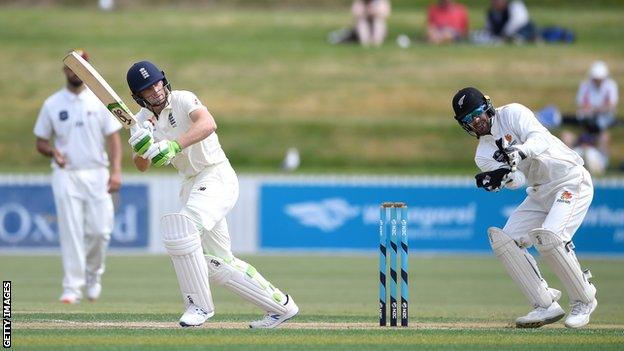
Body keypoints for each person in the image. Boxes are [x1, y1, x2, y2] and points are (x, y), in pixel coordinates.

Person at [125, 61, 298, 328]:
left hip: (216, 175)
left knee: (182, 229)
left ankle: (199, 306)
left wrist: (172, 145)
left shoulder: (182, 99)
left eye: (157, 82)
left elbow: (208, 123)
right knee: (219, 263)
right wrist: (141, 146)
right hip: (190, 185)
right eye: (148, 89)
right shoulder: (140, 122)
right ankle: (280, 306)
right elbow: (141, 165)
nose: (156, 90)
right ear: (139, 95)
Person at [451, 87, 597, 328]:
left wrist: (518, 152)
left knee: (550, 238)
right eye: (468, 119)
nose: (475, 120)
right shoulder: (483, 154)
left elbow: (539, 139)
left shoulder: (513, 113)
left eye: (477, 113)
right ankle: (544, 304)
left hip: (570, 180)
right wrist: (503, 178)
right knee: (504, 240)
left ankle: (584, 300)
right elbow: (518, 181)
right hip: (540, 192)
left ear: (487, 107)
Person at [33, 49, 122, 304]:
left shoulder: (100, 101)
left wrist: (116, 170)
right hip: (66, 173)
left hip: (97, 173)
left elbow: (114, 139)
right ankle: (72, 287)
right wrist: (52, 151)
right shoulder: (52, 104)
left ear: (88, 70)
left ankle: (93, 275)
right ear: (65, 70)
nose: (76, 72)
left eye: (81, 67)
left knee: (100, 231)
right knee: (71, 230)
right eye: (72, 67)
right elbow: (41, 141)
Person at [561, 61, 618, 176]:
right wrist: (594, 110)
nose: (597, 81)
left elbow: (611, 106)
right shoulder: (585, 85)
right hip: (588, 117)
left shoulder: (610, 85)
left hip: (604, 118)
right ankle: (566, 166)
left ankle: (603, 164)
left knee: (603, 134)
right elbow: (583, 105)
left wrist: (595, 109)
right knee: (569, 134)